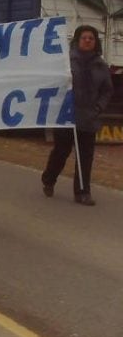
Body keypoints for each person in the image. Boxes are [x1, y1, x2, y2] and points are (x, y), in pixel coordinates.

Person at [41, 25, 112, 206]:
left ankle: (82, 192)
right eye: (84, 38)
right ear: (78, 40)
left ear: (96, 42)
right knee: (61, 151)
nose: (88, 40)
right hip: (67, 116)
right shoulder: (66, 62)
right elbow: (54, 82)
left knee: (85, 157)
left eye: (91, 38)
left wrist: (98, 108)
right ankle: (49, 179)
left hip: (89, 117)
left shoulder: (101, 66)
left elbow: (107, 91)